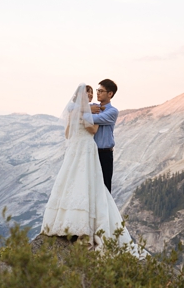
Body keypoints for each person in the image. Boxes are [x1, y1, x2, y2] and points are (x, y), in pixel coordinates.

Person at [40, 83, 137, 249]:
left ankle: (99, 229)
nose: (95, 95)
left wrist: (80, 113)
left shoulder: (106, 111)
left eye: (99, 91)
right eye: (93, 92)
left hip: (101, 153)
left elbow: (91, 127)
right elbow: (69, 119)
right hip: (82, 150)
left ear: (110, 93)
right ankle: (76, 223)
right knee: (78, 185)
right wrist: (82, 111)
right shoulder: (89, 108)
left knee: (100, 190)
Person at [90, 79, 118, 192]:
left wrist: (84, 112)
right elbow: (72, 108)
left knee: (105, 189)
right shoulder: (92, 107)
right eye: (97, 90)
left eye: (101, 91)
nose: (97, 93)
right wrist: (87, 109)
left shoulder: (112, 112)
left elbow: (94, 119)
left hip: (105, 154)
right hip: (91, 153)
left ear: (110, 94)